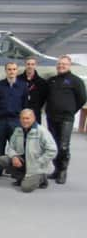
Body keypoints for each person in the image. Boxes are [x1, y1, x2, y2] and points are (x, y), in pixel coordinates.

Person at [45, 55, 87, 184]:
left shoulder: (75, 81)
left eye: (64, 64)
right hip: (52, 117)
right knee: (54, 145)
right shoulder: (52, 80)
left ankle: (63, 171)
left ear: (69, 65)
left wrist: (70, 110)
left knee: (63, 146)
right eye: (59, 64)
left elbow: (82, 98)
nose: (61, 66)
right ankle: (56, 170)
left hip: (66, 119)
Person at [0, 109, 57, 192]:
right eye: (22, 118)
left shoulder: (42, 131)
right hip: (23, 162)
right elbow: (10, 147)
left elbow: (52, 150)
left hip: (37, 166)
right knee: (3, 160)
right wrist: (14, 156)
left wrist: (39, 162)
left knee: (26, 188)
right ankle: (22, 177)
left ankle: (42, 178)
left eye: (27, 118)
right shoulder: (18, 130)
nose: (25, 121)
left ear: (33, 118)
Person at [0, 62, 28, 178]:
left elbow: (25, 103)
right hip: (1, 120)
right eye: (9, 69)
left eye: (14, 69)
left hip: (15, 121)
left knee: (15, 147)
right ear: (6, 71)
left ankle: (14, 171)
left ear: (17, 71)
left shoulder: (22, 86)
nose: (11, 71)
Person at [18, 57, 48, 124]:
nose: (30, 66)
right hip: (20, 114)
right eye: (28, 64)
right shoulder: (18, 80)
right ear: (25, 65)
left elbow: (43, 99)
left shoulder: (42, 82)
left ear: (35, 65)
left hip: (35, 114)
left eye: (32, 64)